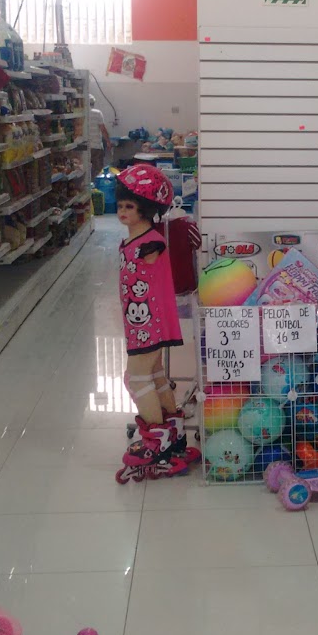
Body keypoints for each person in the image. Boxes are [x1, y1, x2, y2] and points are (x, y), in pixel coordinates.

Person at [116, 163, 196, 477]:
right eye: (121, 205)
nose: (122, 211)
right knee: (156, 374)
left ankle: (156, 439)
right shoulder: (134, 241)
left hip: (149, 323)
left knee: (136, 378)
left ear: (146, 209)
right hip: (139, 322)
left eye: (130, 206)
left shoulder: (151, 244)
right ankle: (173, 432)